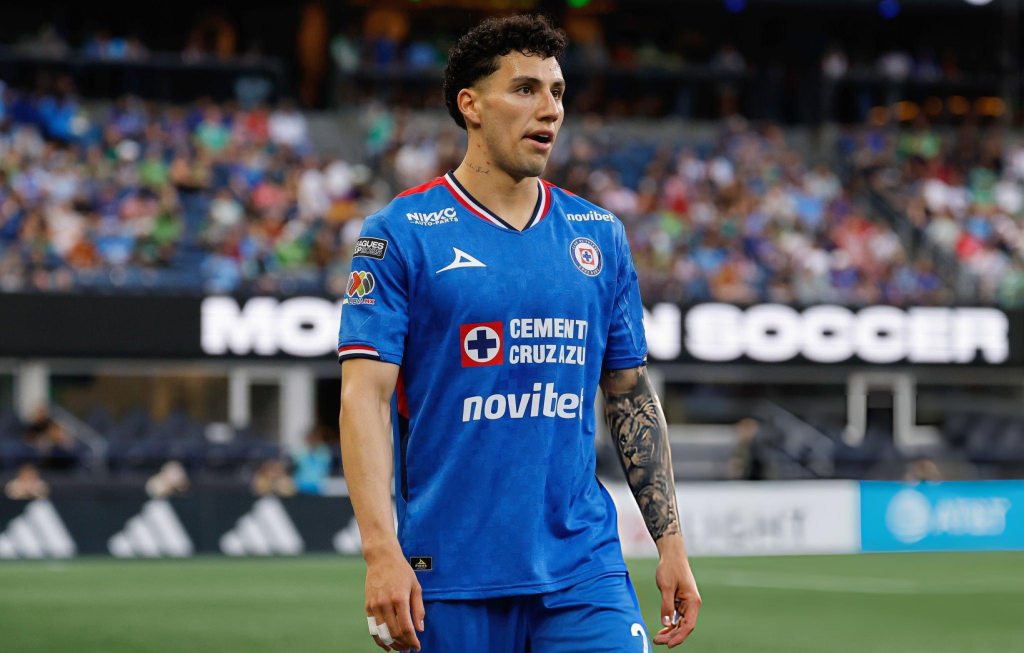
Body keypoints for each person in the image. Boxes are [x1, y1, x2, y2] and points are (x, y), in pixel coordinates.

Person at [338, 15, 700, 653]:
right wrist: (380, 552)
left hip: (584, 569)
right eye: (527, 89)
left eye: (558, 92)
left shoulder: (600, 235)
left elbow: (630, 395)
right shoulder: (400, 233)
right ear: (470, 106)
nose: (551, 109)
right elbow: (363, 399)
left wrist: (671, 545)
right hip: (448, 576)